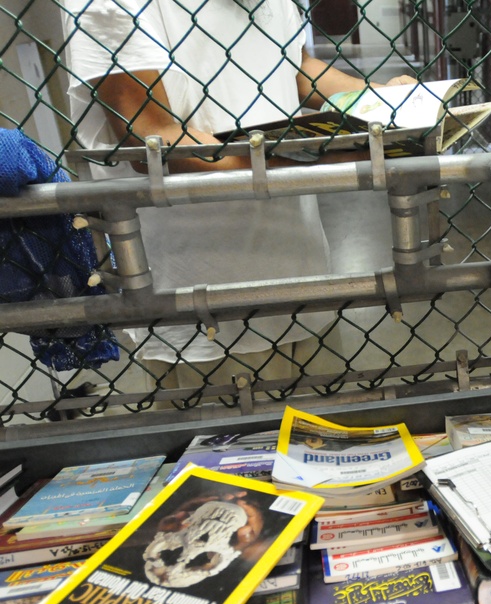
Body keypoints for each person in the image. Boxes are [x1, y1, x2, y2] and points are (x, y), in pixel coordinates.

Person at [59, 0, 416, 393]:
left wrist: (383, 99)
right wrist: (324, 161)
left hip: (303, 276)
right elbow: (152, 138)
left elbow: (294, 67)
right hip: (202, 302)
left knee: (317, 432)